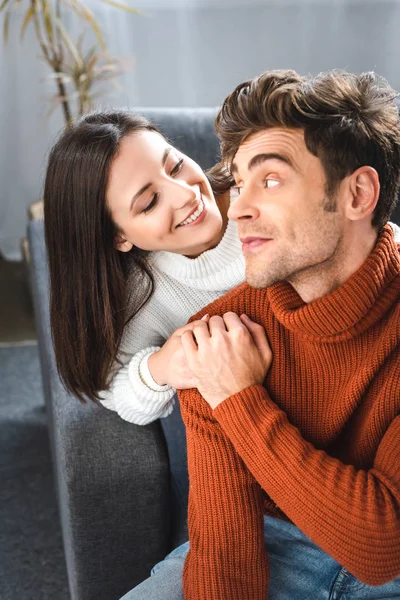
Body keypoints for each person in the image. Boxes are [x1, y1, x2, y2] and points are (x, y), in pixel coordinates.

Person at [121, 69, 400, 600]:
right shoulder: (219, 339)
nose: (239, 207)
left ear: (358, 193)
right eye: (238, 182)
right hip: (272, 544)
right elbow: (225, 556)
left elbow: (379, 550)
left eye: (269, 180)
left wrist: (240, 399)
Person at [43, 109, 244, 518]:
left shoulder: (255, 188)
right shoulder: (146, 293)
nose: (185, 194)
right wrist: (159, 368)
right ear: (119, 236)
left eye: (176, 165)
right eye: (150, 202)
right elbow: (112, 392)